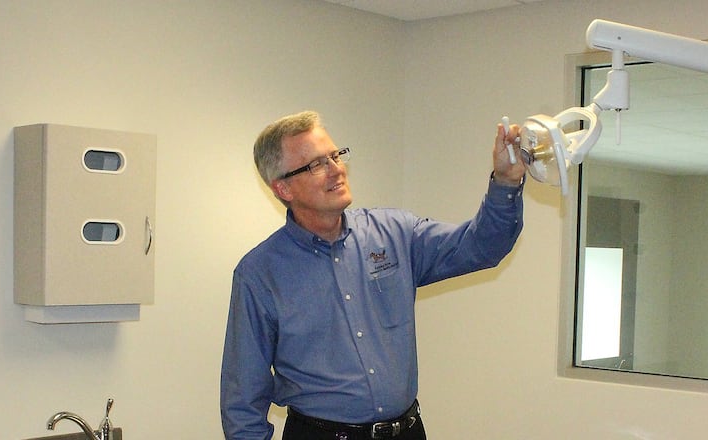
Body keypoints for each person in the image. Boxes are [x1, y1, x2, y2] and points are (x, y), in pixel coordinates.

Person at [220, 110, 527, 440]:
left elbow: (483, 247)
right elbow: (242, 400)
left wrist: (506, 181)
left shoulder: (394, 233)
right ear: (283, 188)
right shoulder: (260, 274)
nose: (336, 170)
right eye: (315, 165)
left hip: (407, 431)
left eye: (335, 156)